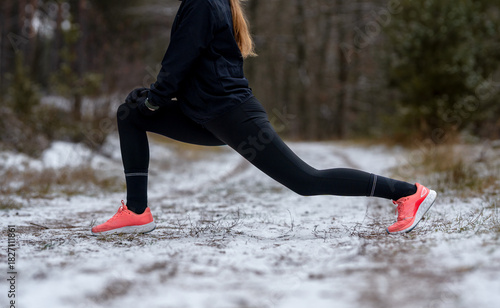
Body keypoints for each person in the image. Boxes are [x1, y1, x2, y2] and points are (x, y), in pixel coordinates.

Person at [91, 0, 436, 236]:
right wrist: (151, 100)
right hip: (205, 114)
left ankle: (408, 193)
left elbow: (179, 61)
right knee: (130, 115)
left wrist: (156, 97)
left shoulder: (201, 2)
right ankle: (137, 211)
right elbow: (196, 69)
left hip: (231, 115)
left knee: (306, 181)